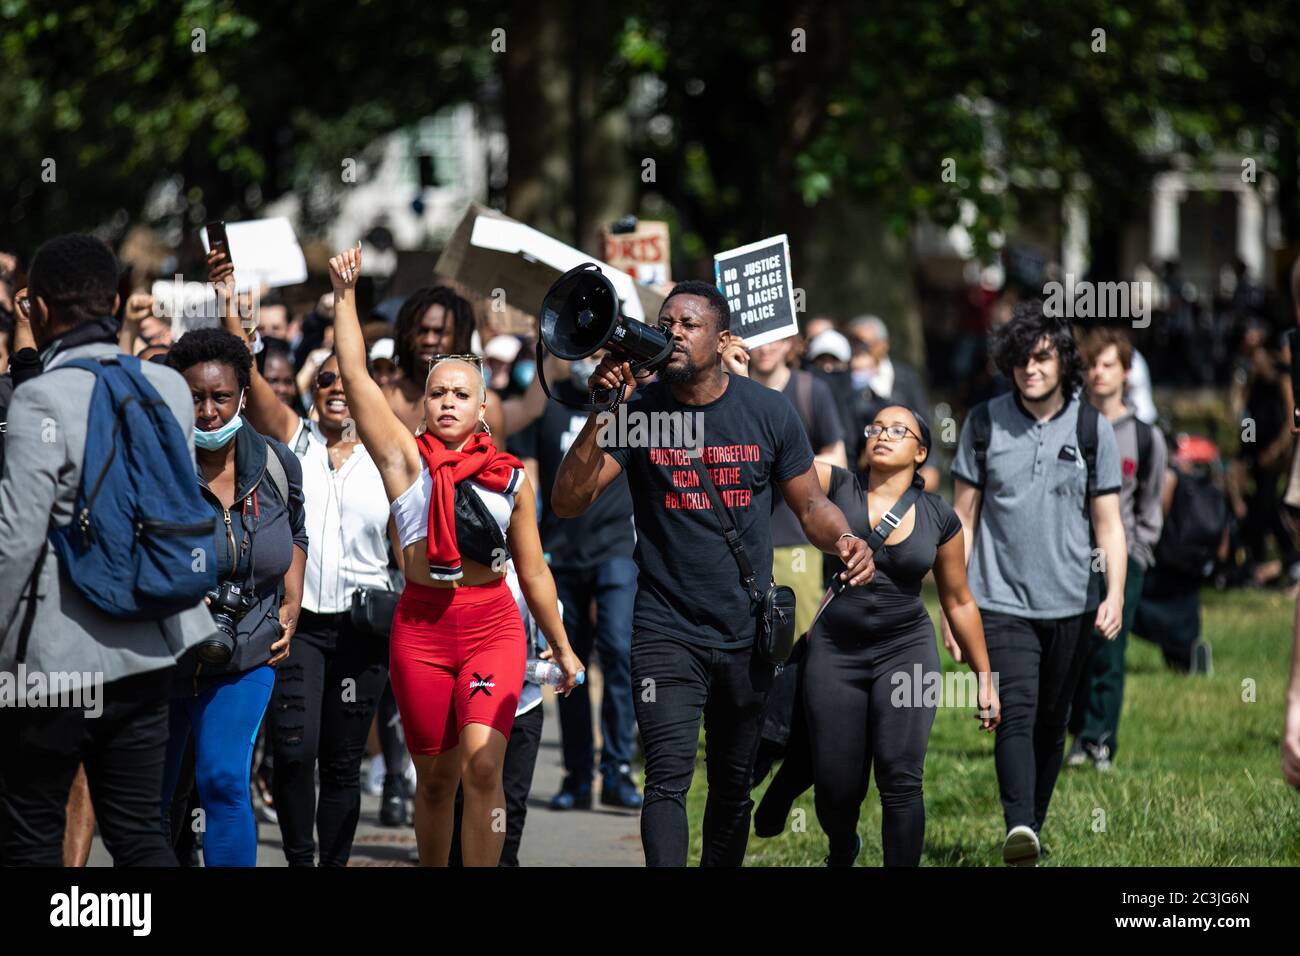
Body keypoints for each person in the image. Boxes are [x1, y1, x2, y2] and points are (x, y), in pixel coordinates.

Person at [551, 280, 875, 867]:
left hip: (744, 631)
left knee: (731, 787)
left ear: (722, 338)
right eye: (666, 320)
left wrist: (847, 538)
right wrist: (602, 415)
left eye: (689, 323)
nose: (672, 330)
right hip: (664, 629)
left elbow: (810, 507)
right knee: (667, 782)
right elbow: (569, 502)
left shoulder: (768, 412)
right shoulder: (639, 413)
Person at [327, 244, 582, 866]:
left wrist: (563, 646)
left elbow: (534, 571)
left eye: (460, 394)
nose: (446, 401)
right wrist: (344, 294)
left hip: (494, 627)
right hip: (421, 630)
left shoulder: (511, 478)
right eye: (437, 392)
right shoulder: (403, 462)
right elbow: (357, 376)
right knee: (436, 779)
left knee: (483, 766)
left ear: (481, 408)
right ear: (422, 403)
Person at [0, 234, 217, 866]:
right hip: (150, 647)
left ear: (38, 311)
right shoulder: (168, 388)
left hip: (53, 661)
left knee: (31, 836)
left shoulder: (41, 395)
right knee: (140, 833)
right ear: (116, 302)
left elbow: (16, 538)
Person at [208, 250, 399, 866]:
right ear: (313, 394)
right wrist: (231, 297)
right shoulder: (293, 441)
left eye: (348, 382)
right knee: (295, 751)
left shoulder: (390, 453)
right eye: (325, 381)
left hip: (364, 627)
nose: (338, 390)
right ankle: (298, 857)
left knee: (343, 762)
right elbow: (248, 375)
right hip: (300, 625)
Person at [758, 406, 999, 866]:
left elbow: (960, 601)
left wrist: (985, 678)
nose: (882, 435)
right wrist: (745, 382)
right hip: (834, 652)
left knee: (901, 776)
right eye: (875, 428)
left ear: (921, 451)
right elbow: (781, 458)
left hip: (906, 652)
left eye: (897, 430)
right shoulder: (837, 484)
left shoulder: (940, 517)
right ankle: (842, 844)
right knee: (837, 785)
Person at [947, 300, 1126, 867]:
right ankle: (1018, 824)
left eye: (1043, 357)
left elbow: (1109, 525)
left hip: (1073, 600)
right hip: (1000, 601)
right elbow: (963, 523)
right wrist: (959, 605)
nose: (1031, 368)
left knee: (1054, 722)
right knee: (1014, 713)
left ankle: (1033, 825)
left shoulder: (1094, 429)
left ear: (1062, 362)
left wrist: (1115, 593)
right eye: (1021, 358)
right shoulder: (982, 424)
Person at [161, 327, 308, 867]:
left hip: (246, 652)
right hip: (163, 655)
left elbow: (296, 533)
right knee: (154, 801)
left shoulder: (276, 464)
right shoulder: (153, 465)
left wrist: (291, 601)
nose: (207, 412)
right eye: (194, 397)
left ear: (243, 395)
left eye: (220, 397)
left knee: (223, 780)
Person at [518, 351, 642, 811]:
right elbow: (528, 477)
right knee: (567, 665)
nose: (592, 359)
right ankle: (576, 776)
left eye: (602, 350)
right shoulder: (547, 402)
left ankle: (618, 770)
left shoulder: (631, 405)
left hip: (615, 551)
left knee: (618, 652)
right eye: (584, 350)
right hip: (560, 553)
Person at [1067, 328, 1167, 771]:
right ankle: (1075, 736)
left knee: (1109, 648)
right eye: (1091, 365)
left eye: (1108, 365)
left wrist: (1141, 549)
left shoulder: (1146, 437)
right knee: (1072, 651)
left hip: (1122, 558)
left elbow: (1151, 502)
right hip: (1069, 556)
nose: (1098, 373)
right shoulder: (1068, 426)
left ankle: (1100, 739)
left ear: (1127, 372)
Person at [381, 285, 547, 449]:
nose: (429, 340)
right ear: (406, 335)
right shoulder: (384, 399)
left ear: (459, 336)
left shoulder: (488, 407)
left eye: (440, 332)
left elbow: (498, 472)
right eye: (421, 331)